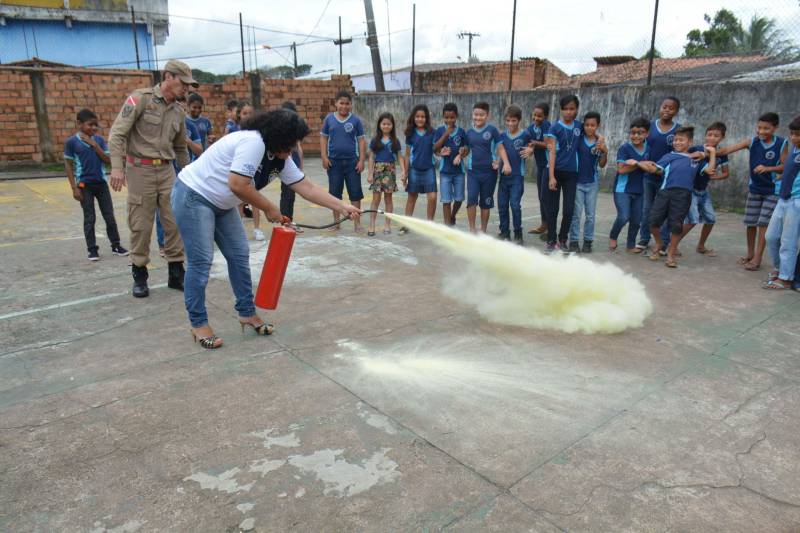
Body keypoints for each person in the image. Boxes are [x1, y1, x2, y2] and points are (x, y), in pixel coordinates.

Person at [172, 109, 361, 349]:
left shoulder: (280, 157)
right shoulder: (253, 142)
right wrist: (271, 208)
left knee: (239, 256)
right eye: (291, 142)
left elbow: (306, 186)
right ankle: (198, 324)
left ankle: (246, 313)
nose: (293, 148)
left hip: (222, 203)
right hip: (194, 195)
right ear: (278, 136)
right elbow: (238, 184)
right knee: (201, 263)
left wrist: (342, 205)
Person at [109, 59, 196, 298]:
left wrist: (188, 175)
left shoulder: (178, 111)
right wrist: (117, 168)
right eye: (183, 82)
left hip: (167, 171)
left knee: (175, 221)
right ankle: (140, 274)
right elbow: (117, 134)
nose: (186, 89)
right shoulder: (140, 99)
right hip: (140, 170)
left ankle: (176, 273)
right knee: (141, 224)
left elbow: (180, 148)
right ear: (168, 76)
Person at [720, 112, 788, 272]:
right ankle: (750, 254)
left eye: (766, 128)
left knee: (763, 223)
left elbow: (785, 166)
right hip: (755, 189)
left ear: (775, 128)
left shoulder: (782, 143)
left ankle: (758, 258)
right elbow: (727, 150)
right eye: (759, 128)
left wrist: (768, 168)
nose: (761, 131)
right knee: (750, 223)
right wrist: (706, 151)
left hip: (772, 190)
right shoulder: (752, 142)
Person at [646, 126, 716, 268]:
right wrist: (646, 165)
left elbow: (710, 170)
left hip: (683, 195)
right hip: (665, 192)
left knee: (676, 226)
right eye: (675, 140)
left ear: (689, 142)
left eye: (681, 140)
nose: (677, 142)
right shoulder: (668, 156)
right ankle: (659, 242)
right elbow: (656, 169)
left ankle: (671, 255)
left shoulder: (696, 159)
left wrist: (712, 153)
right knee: (652, 221)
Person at [64, 108, 128, 261]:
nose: (93, 128)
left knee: (109, 216)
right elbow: (68, 164)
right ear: (79, 124)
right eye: (89, 125)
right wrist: (74, 188)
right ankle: (92, 249)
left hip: (101, 184)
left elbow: (107, 160)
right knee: (89, 218)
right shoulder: (72, 142)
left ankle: (116, 245)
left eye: (95, 125)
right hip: (84, 186)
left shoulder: (98, 140)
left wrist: (94, 144)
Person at [156, 99, 203, 256]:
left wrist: (186, 141)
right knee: (164, 208)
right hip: (166, 171)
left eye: (182, 107)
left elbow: (199, 150)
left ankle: (185, 240)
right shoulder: (163, 125)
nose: (180, 110)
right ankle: (163, 243)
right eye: (178, 106)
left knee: (187, 206)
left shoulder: (191, 127)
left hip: (185, 172)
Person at [678, 122, 730, 257]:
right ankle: (672, 244)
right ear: (705, 135)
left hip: (703, 191)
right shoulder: (696, 149)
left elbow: (725, 173)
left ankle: (701, 246)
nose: (712, 138)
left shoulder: (722, 154)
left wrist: (713, 177)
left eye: (716, 136)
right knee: (692, 220)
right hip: (690, 190)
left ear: (722, 138)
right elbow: (683, 160)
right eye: (709, 135)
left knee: (710, 219)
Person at [638, 96, 681, 251]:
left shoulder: (678, 130)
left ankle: (663, 242)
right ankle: (643, 239)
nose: (667, 110)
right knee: (646, 209)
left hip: (666, 178)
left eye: (671, 108)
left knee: (664, 210)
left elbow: (680, 152)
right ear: (660, 107)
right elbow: (640, 146)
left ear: (676, 111)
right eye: (665, 106)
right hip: (648, 176)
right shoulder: (650, 127)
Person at [320, 90, 366, 232]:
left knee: (355, 193)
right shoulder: (329, 119)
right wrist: (324, 157)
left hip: (352, 162)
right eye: (341, 103)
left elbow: (361, 141)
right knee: (334, 194)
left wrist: (362, 160)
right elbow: (323, 138)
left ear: (351, 105)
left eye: (347, 103)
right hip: (334, 163)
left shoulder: (356, 121)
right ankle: (336, 222)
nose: (344, 106)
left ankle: (357, 224)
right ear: (336, 104)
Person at [462, 101, 511, 233]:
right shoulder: (469, 132)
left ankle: (483, 230)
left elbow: (501, 148)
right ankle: (472, 229)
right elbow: (465, 149)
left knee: (486, 202)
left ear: (487, 115)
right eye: (476, 114)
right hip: (473, 172)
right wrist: (459, 154)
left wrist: (503, 162)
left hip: (490, 173)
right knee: (471, 199)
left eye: (481, 115)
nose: (478, 117)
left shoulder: (492, 130)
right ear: (472, 114)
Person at [763, 116, 800, 290]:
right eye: (792, 134)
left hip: (796, 202)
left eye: (798, 135)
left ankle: (786, 278)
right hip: (783, 199)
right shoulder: (793, 149)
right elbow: (789, 169)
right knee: (771, 236)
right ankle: (780, 269)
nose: (794, 138)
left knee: (788, 241)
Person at [543, 94, 583, 252]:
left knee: (568, 210)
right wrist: (551, 177)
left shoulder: (579, 126)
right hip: (555, 172)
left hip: (571, 174)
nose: (568, 112)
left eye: (571, 109)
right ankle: (551, 240)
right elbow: (552, 152)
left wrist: (600, 139)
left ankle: (563, 239)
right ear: (560, 110)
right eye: (565, 109)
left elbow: (591, 135)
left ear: (576, 110)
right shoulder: (555, 128)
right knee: (553, 209)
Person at [609, 117, 651, 253]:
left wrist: (637, 163)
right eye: (633, 132)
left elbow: (650, 167)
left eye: (640, 133)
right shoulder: (625, 148)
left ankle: (630, 245)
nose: (636, 136)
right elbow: (621, 170)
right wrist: (640, 165)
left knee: (636, 220)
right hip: (623, 190)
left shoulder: (648, 149)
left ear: (647, 134)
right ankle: (613, 236)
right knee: (624, 216)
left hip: (639, 190)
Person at [568, 111, 607, 253]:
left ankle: (588, 241)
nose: (589, 128)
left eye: (593, 125)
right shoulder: (579, 139)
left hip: (592, 183)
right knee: (576, 214)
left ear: (597, 126)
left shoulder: (600, 143)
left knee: (590, 215)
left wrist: (605, 151)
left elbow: (602, 164)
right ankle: (573, 241)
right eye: (587, 125)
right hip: (578, 182)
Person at [497, 104, 532, 244]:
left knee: (515, 205)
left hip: (518, 176)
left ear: (519, 120)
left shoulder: (525, 134)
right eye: (508, 120)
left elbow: (531, 146)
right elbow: (499, 150)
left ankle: (518, 233)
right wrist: (497, 163)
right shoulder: (502, 136)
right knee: (502, 204)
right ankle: (504, 231)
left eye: (514, 121)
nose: (510, 123)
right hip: (503, 177)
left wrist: (531, 150)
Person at [367, 112, 404, 235]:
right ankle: (372, 225)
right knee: (375, 199)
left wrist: (403, 171)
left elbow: (400, 157)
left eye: (389, 124)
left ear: (392, 125)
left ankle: (387, 224)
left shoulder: (395, 141)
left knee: (388, 199)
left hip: (390, 171)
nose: (386, 126)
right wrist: (370, 173)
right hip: (377, 170)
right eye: (384, 124)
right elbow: (371, 157)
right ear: (379, 125)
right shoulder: (375, 140)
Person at [402, 104, 437, 230]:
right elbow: (407, 155)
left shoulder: (432, 132)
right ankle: (406, 224)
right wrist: (405, 173)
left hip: (429, 169)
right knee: (412, 197)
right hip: (414, 170)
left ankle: (430, 224)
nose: (420, 119)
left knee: (432, 197)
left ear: (426, 118)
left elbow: (436, 150)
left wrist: (441, 152)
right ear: (413, 117)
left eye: (423, 116)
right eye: (417, 116)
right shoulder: (410, 133)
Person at [433, 102, 467, 226]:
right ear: (443, 117)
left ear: (456, 116)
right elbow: (435, 148)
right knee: (446, 201)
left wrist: (461, 154)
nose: (449, 120)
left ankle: (452, 216)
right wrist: (441, 152)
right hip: (445, 172)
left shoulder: (462, 132)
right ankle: (447, 226)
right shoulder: (440, 130)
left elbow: (466, 148)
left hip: (459, 172)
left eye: (452, 117)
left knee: (459, 199)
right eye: (446, 117)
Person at [524, 103, 551, 236]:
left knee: (546, 197)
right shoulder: (531, 128)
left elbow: (547, 144)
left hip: (548, 166)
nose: (536, 118)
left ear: (545, 116)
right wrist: (530, 148)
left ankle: (549, 227)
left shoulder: (547, 125)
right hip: (540, 166)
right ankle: (544, 224)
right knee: (541, 197)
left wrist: (534, 143)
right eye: (534, 115)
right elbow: (528, 143)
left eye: (539, 116)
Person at [277, 101, 304, 234]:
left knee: (291, 196)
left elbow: (299, 148)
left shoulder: (294, 130)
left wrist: (300, 166)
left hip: (294, 165)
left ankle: (288, 221)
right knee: (287, 194)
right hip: (285, 166)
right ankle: (285, 223)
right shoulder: (279, 132)